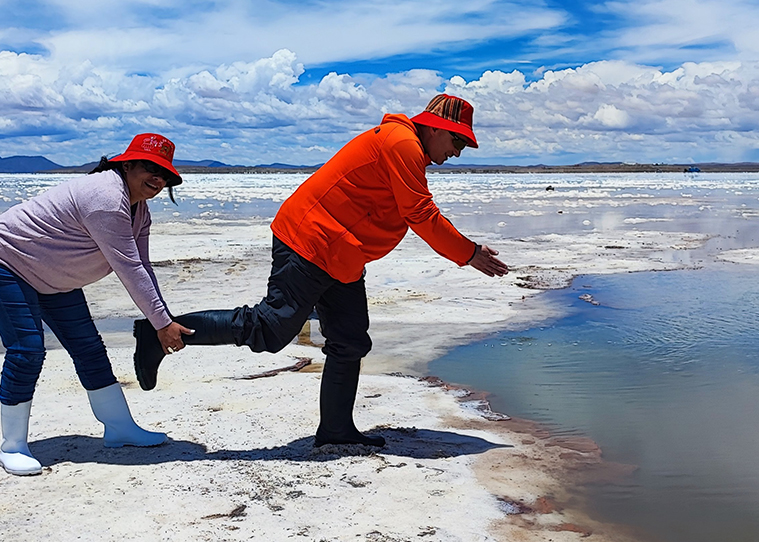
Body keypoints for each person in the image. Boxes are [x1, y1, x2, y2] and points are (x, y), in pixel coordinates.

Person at [133, 94, 508, 447]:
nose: (456, 153)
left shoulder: (405, 146)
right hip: (311, 242)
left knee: (349, 340)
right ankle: (161, 334)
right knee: (271, 327)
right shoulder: (402, 143)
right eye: (457, 143)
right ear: (437, 128)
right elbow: (420, 214)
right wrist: (469, 253)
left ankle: (336, 431)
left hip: (341, 253)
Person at [0, 133, 193, 476]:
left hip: (53, 279)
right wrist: (162, 325)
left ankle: (119, 428)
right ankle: (12, 445)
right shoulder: (105, 196)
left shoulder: (139, 212)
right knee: (27, 350)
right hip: (10, 262)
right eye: (150, 168)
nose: (158, 179)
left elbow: (144, 267)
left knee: (89, 347)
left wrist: (163, 318)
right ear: (126, 164)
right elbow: (128, 267)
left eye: (165, 175)